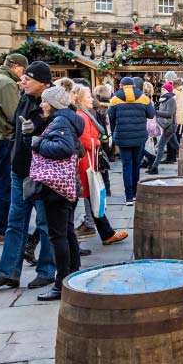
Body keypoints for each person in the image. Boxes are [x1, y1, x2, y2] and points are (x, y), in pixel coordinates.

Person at [0, 61, 58, 290]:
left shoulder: (53, 103)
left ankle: (46, 271)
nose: (21, 81)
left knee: (45, 223)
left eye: (28, 79)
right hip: (19, 170)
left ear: (43, 84)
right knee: (15, 222)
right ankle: (8, 273)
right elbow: (15, 127)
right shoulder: (24, 98)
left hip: (42, 172)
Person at [31, 85, 83, 302]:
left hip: (56, 185)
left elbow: (65, 148)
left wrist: (38, 143)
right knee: (67, 230)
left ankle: (61, 283)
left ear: (53, 104)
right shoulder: (69, 119)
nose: (41, 104)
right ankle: (74, 274)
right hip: (67, 183)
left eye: (44, 101)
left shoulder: (60, 120)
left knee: (57, 235)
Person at [70, 84, 126, 247]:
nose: (91, 99)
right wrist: (98, 141)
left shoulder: (84, 113)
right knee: (77, 202)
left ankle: (106, 233)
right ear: (80, 99)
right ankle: (37, 238)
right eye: (88, 97)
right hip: (85, 164)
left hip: (88, 162)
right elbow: (85, 141)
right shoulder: (81, 115)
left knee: (91, 198)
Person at [0, 53, 27, 243]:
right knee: (6, 184)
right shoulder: (6, 83)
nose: (23, 74)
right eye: (23, 70)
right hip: (5, 138)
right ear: (16, 66)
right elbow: (15, 115)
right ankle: (1, 228)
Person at [107, 77, 154, 206]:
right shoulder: (143, 97)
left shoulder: (115, 99)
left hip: (122, 138)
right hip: (139, 137)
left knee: (126, 166)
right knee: (136, 165)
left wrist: (114, 131)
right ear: (133, 86)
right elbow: (151, 114)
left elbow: (110, 117)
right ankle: (135, 195)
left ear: (121, 86)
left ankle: (128, 198)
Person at [146, 81, 177, 175]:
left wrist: (156, 112)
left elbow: (169, 114)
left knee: (160, 146)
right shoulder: (163, 100)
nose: (162, 91)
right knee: (177, 146)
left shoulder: (171, 100)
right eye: (162, 89)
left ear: (168, 90)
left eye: (164, 89)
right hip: (167, 126)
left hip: (169, 127)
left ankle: (154, 168)